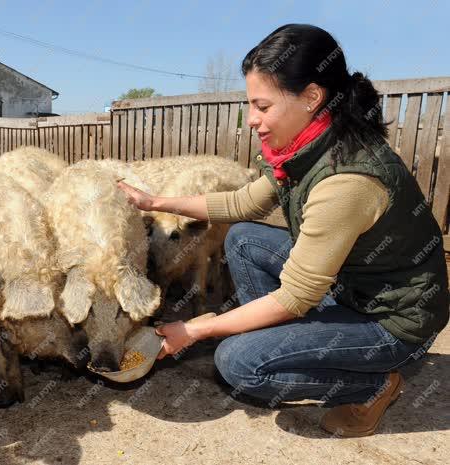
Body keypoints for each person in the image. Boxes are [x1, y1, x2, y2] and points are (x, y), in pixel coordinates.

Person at [117, 23, 448, 438]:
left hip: (393, 321)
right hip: (354, 286)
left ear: (311, 97)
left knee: (239, 364)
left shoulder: (345, 182)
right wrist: (156, 203)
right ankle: (288, 345)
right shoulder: (308, 147)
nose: (252, 120)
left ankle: (375, 385)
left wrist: (195, 329)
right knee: (244, 237)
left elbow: (294, 297)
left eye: (262, 106)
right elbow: (242, 203)